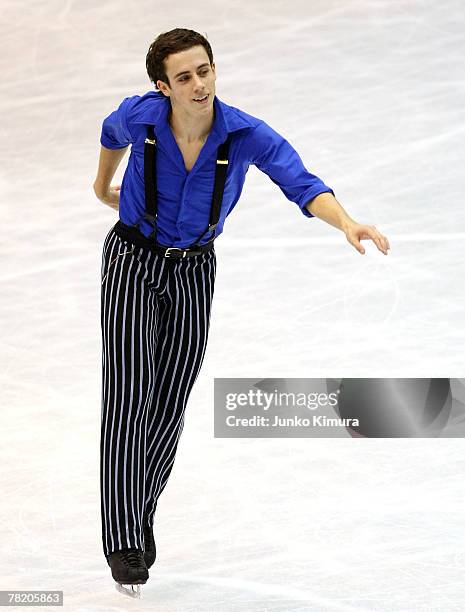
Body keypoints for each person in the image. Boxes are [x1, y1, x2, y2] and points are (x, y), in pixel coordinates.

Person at [93, 27, 390, 594]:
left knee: (170, 400)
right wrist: (101, 184)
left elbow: (300, 182)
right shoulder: (142, 118)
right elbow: (109, 133)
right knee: (131, 392)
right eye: (184, 77)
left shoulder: (245, 134)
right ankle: (126, 538)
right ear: (164, 86)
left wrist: (347, 222)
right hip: (132, 259)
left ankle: (138, 508)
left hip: (194, 268)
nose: (199, 83)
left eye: (205, 70)